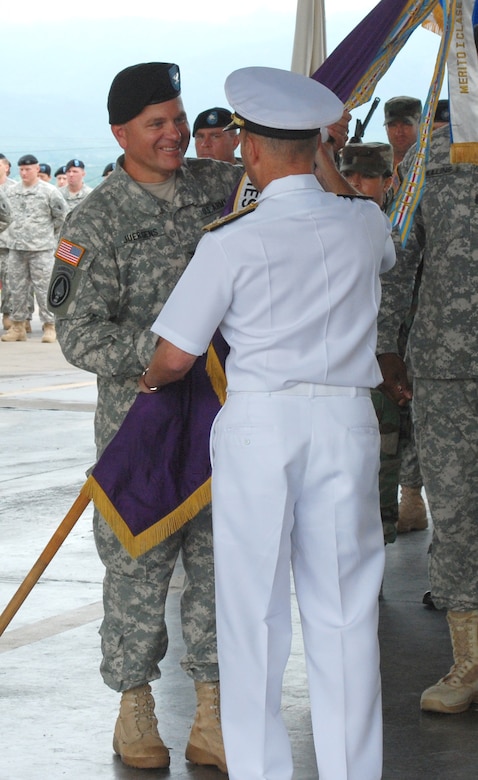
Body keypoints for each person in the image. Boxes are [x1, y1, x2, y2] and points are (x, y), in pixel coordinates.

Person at [140, 65, 395, 780]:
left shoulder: (231, 239)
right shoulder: (365, 223)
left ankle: (261, 772)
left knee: (251, 611)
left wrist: (151, 378)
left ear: (249, 149)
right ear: (319, 146)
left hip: (261, 429)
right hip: (346, 424)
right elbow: (381, 242)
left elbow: (175, 355)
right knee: (345, 615)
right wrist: (327, 165)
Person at [47, 61, 244, 772]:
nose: (174, 133)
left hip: (225, 421)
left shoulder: (221, 191)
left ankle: (214, 710)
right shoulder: (92, 220)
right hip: (144, 422)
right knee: (137, 566)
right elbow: (75, 332)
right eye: (156, 123)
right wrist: (152, 357)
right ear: (120, 132)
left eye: (178, 118)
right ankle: (134, 706)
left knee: (223, 563)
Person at [377, 111, 478, 714]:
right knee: (458, 512)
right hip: (446, 364)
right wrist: (387, 345)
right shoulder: (429, 156)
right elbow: (398, 257)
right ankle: (468, 661)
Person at [339, 141, 404, 545]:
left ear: (387, 180)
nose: (358, 184)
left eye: (368, 176)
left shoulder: (397, 226)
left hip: (392, 365)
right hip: (350, 371)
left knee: (387, 464)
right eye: (349, 175)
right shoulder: (331, 227)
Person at [383, 94, 428, 533]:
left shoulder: (426, 173)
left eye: (407, 124)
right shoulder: (379, 174)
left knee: (415, 404)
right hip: (388, 306)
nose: (400, 131)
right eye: (393, 125)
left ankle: (412, 494)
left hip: (421, 307)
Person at [1, 154, 67, 343]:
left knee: (45, 289)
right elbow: (5, 214)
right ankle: (18, 326)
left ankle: (50, 326)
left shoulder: (49, 191)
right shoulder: (12, 191)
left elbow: (61, 218)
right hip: (16, 248)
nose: (24, 173)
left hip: (41, 249)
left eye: (28, 169)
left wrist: (46, 236)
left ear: (37, 170)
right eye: (21, 169)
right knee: (16, 289)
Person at [0, 153, 15, 330]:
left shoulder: (15, 189)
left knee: (9, 282)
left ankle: (8, 315)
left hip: (8, 244)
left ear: (7, 167)